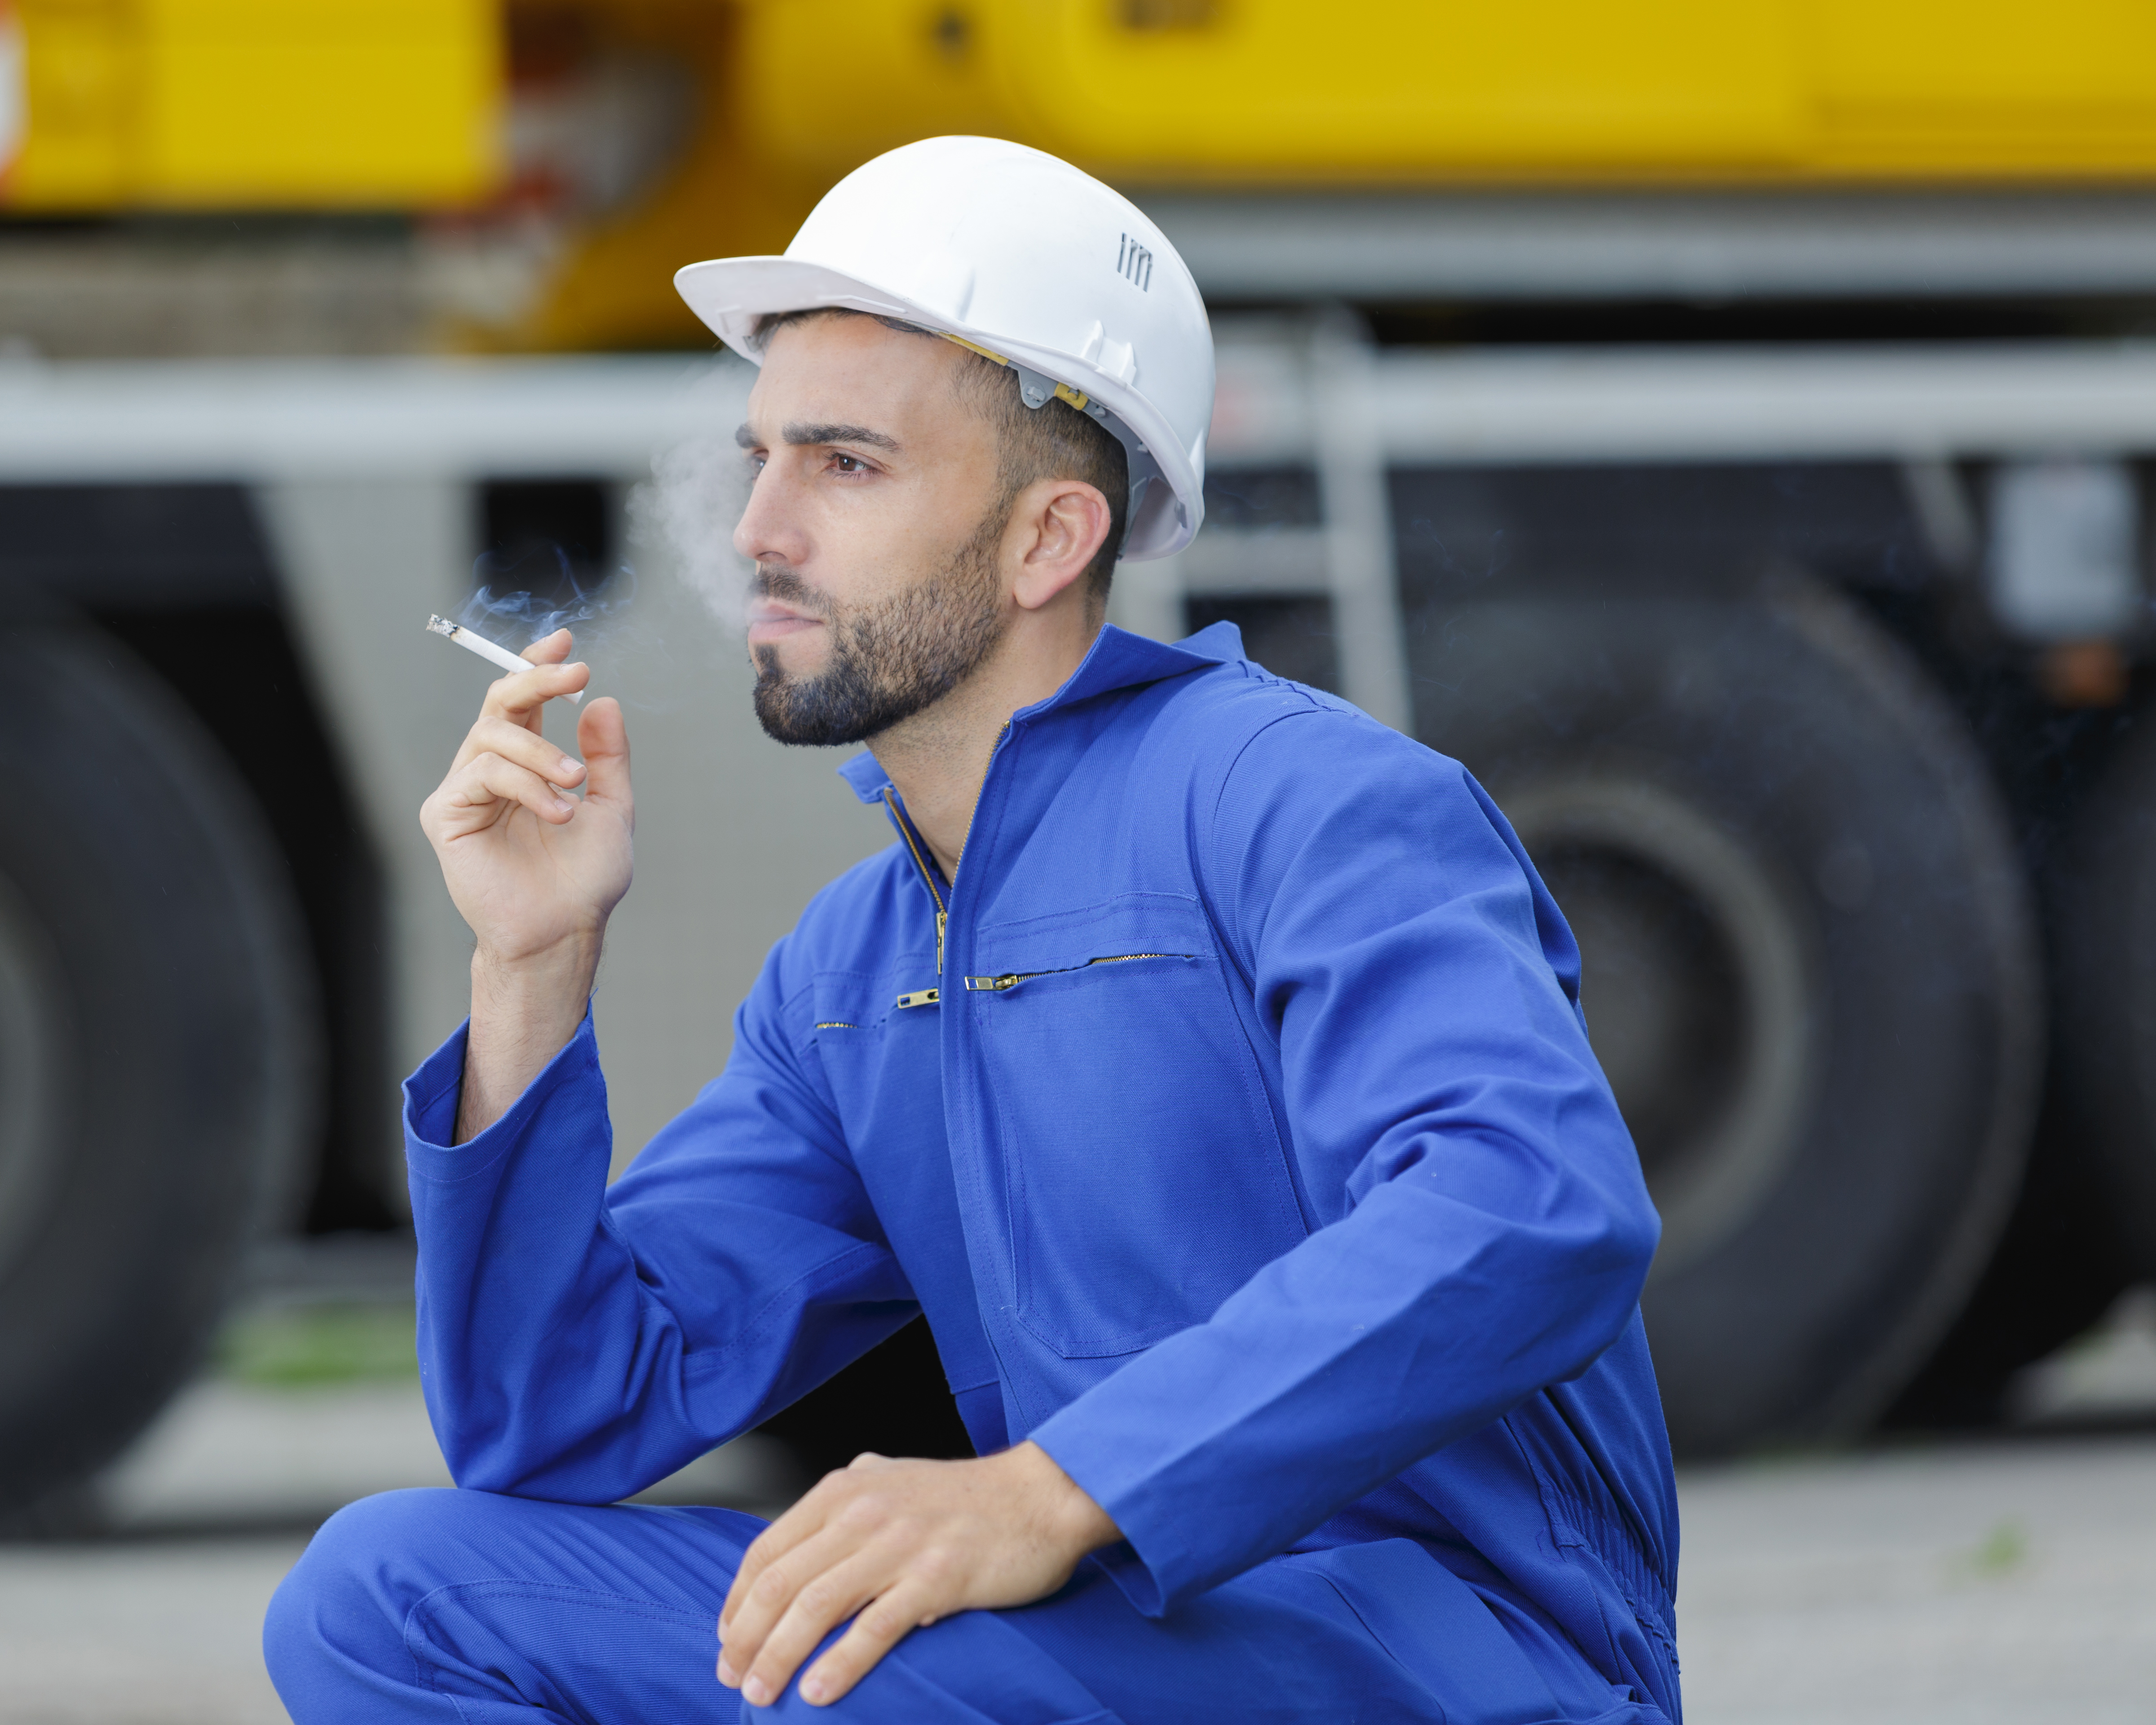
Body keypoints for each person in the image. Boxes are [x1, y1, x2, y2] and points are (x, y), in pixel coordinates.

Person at [265, 136, 1680, 1725]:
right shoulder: (856, 971)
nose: (758, 531)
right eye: (762, 458)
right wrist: (531, 964)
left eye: (846, 465)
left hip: (1455, 1657)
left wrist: (1046, 1492)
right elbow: (561, 1421)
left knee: (873, 1679)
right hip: (1119, 1653)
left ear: (1048, 541)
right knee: (390, 1598)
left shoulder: (1310, 804)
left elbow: (1533, 1201)